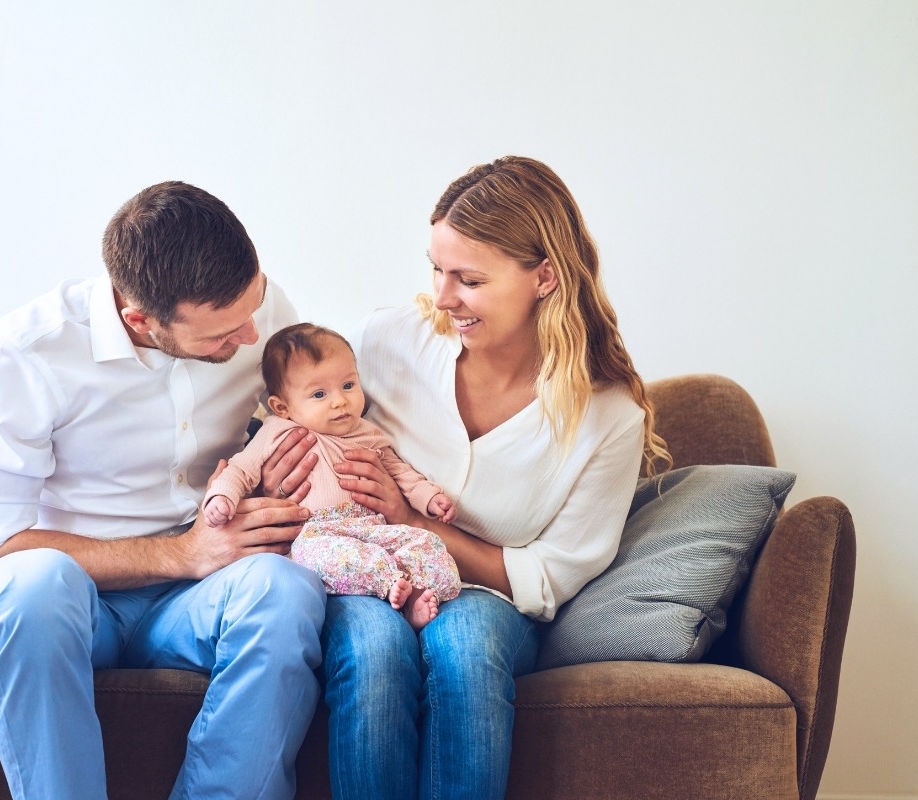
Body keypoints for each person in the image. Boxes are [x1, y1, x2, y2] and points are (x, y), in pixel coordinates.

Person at [269, 156, 671, 798]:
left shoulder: (606, 417)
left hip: (491, 600)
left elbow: (551, 575)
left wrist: (413, 520)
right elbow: (296, 406)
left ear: (544, 277)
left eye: (469, 278)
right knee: (372, 654)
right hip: (367, 576)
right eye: (436, 268)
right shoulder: (385, 343)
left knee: (465, 649)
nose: (442, 295)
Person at [0, 181, 327, 800]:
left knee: (285, 589)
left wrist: (283, 470)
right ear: (139, 320)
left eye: (252, 308)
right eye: (221, 336)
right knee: (32, 587)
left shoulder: (259, 311)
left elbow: (300, 421)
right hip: (71, 603)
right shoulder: (23, 354)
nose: (251, 337)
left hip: (196, 599)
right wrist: (180, 554)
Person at [203, 322, 460, 630]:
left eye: (348, 386)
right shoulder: (277, 430)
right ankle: (389, 585)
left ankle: (414, 595)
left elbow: (400, 472)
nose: (340, 401)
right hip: (317, 534)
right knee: (320, 556)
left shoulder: (367, 433)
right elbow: (241, 468)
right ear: (281, 407)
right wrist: (223, 496)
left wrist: (429, 498)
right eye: (320, 394)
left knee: (426, 542)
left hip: (371, 529)